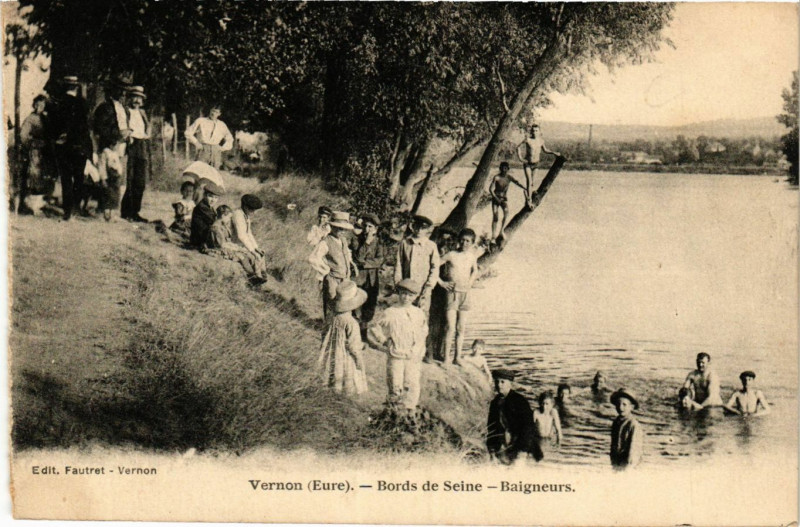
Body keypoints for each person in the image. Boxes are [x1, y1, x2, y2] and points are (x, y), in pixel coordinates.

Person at [367, 279, 428, 410]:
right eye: (403, 294)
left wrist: (419, 347)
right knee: (395, 383)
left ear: (415, 296)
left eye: (410, 295)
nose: (406, 298)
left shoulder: (418, 313)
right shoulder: (391, 312)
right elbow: (374, 327)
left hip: (413, 355)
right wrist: (383, 340)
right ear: (399, 293)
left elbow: (424, 331)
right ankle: (394, 412)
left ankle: (410, 411)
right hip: (396, 353)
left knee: (412, 384)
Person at [50, 76, 93, 221]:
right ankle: (76, 207)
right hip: (80, 146)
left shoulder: (59, 103)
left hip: (64, 146)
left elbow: (54, 126)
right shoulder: (83, 104)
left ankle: (67, 210)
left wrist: (60, 137)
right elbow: (86, 127)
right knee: (79, 177)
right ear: (76, 87)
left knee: (66, 178)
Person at [318, 280, 369, 396]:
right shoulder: (351, 323)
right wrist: (359, 359)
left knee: (331, 370)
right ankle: (343, 395)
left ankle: (330, 391)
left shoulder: (331, 317)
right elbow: (353, 346)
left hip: (330, 351)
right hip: (345, 355)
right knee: (346, 373)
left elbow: (324, 333)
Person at [435, 228, 478, 364]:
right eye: (462, 240)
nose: (464, 243)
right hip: (451, 293)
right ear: (459, 240)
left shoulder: (472, 256)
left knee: (461, 328)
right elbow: (434, 265)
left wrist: (470, 283)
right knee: (450, 327)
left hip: (465, 294)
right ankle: (446, 358)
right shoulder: (451, 255)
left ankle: (457, 357)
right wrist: (441, 282)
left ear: (472, 243)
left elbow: (475, 270)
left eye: (468, 241)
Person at [309, 211, 359, 322]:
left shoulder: (343, 241)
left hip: (345, 279)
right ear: (332, 227)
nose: (342, 232)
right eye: (339, 228)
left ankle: (340, 328)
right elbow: (313, 258)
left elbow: (346, 254)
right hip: (333, 280)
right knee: (332, 305)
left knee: (344, 306)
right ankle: (329, 327)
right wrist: (326, 270)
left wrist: (351, 264)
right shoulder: (326, 242)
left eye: (344, 229)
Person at [486, 369, 542, 464]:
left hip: (521, 446)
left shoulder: (519, 401)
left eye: (503, 382)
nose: (499, 385)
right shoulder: (494, 403)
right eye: (497, 382)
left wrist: (522, 450)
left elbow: (528, 427)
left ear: (510, 384)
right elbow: (491, 428)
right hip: (502, 446)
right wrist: (491, 450)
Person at [205, 205, 266, 280]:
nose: (230, 219)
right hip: (218, 248)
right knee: (242, 257)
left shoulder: (223, 226)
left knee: (246, 253)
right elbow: (221, 244)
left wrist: (236, 247)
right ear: (223, 216)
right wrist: (236, 248)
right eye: (229, 217)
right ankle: (251, 276)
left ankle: (257, 274)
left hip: (225, 246)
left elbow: (227, 241)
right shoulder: (216, 228)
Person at [394, 215, 440, 315]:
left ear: (427, 230)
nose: (419, 230)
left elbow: (435, 267)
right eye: (417, 227)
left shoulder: (431, 246)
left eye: (423, 228)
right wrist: (398, 283)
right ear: (413, 226)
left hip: (423, 287)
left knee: (421, 314)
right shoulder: (405, 243)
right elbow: (399, 264)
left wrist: (429, 286)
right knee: (405, 313)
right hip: (406, 287)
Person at [17, 94, 55, 212]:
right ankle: (30, 205)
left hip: (46, 152)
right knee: (35, 175)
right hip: (35, 151)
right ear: (35, 105)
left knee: (45, 176)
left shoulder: (46, 119)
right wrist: (33, 144)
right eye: (39, 104)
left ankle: (42, 203)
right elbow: (23, 136)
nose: (41, 106)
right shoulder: (31, 119)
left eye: (44, 104)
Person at [120, 86, 151, 222]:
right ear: (130, 98)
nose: (137, 100)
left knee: (140, 181)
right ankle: (126, 211)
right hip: (130, 144)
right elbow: (122, 127)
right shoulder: (125, 111)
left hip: (142, 145)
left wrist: (147, 135)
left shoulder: (142, 113)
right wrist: (128, 137)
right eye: (134, 97)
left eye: (139, 98)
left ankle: (135, 212)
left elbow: (148, 127)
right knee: (130, 179)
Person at [92, 75, 130, 184]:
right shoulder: (105, 108)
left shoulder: (124, 109)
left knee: (120, 180)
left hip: (122, 148)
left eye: (124, 91)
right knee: (107, 180)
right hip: (109, 148)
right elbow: (99, 129)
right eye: (120, 90)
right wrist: (116, 137)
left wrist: (127, 136)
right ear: (112, 90)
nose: (123, 93)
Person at [353, 213, 385, 326]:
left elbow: (380, 260)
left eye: (370, 226)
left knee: (370, 306)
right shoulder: (357, 240)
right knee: (356, 305)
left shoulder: (379, 242)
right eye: (365, 226)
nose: (367, 229)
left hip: (372, 279)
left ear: (376, 228)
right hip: (359, 278)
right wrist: (366, 243)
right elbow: (358, 258)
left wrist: (364, 264)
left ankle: (364, 330)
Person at [516, 123, 558, 204]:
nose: (534, 132)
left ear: (539, 132)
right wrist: (520, 158)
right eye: (533, 131)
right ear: (531, 132)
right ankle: (529, 200)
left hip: (536, 164)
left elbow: (545, 150)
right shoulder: (528, 139)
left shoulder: (541, 141)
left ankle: (528, 196)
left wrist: (554, 153)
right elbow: (518, 147)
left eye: (536, 131)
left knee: (533, 182)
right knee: (529, 181)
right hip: (528, 163)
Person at [230, 194, 267, 280]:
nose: (254, 212)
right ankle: (255, 278)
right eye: (252, 210)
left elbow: (249, 233)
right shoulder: (238, 215)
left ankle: (262, 275)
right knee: (254, 257)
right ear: (246, 207)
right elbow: (241, 236)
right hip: (234, 243)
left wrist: (256, 248)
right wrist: (252, 251)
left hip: (242, 244)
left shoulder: (246, 215)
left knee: (260, 254)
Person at [185, 104, 234, 169]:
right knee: (199, 170)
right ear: (210, 111)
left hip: (216, 151)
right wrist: (196, 143)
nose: (213, 114)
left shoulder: (222, 125)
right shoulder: (201, 121)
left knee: (213, 172)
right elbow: (188, 132)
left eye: (216, 112)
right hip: (203, 149)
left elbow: (230, 138)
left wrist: (223, 148)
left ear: (219, 114)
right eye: (213, 111)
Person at [488, 162, 526, 243]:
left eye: (505, 168)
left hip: (503, 199)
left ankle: (501, 231)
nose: (504, 170)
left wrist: (526, 188)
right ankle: (493, 236)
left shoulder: (509, 177)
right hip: (495, 198)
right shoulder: (497, 177)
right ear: (500, 168)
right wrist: (496, 198)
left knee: (506, 213)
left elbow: (517, 183)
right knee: (495, 216)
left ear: (508, 169)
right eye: (502, 168)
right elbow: (490, 189)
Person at [609, 388, 644, 469]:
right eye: (618, 404)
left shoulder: (634, 425)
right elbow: (613, 446)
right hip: (617, 463)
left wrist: (628, 469)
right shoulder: (616, 422)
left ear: (632, 407)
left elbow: (634, 452)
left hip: (629, 465)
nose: (620, 407)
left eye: (624, 405)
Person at [95, 143, 124, 221]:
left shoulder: (116, 153)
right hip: (109, 176)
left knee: (115, 196)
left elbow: (119, 165)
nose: (116, 146)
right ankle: (106, 214)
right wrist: (103, 178)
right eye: (115, 145)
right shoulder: (105, 153)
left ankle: (112, 214)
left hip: (115, 176)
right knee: (107, 194)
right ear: (111, 145)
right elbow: (102, 166)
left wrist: (119, 173)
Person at [190, 182, 222, 248]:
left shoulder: (209, 206)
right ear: (204, 195)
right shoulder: (202, 207)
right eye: (210, 196)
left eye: (216, 198)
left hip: (204, 236)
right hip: (200, 240)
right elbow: (213, 220)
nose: (213, 200)